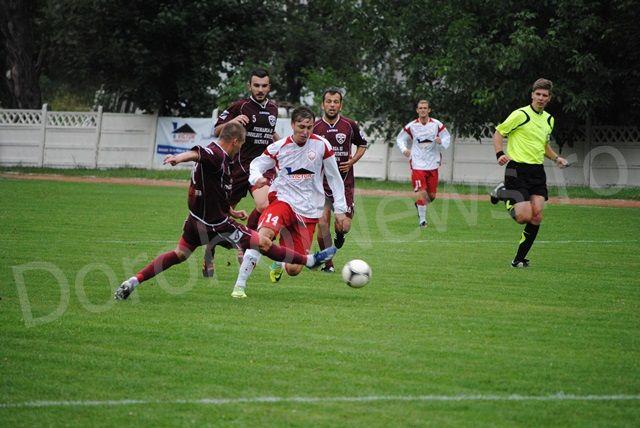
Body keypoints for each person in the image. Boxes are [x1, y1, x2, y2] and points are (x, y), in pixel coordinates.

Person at [114, 122, 336, 301]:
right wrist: (177, 158)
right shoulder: (216, 153)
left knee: (179, 254)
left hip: (195, 221)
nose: (241, 148)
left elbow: (213, 191)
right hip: (218, 225)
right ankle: (309, 260)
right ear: (236, 141)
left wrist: (231, 210)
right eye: (242, 144)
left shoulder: (223, 161)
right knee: (263, 242)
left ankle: (134, 281)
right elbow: (197, 153)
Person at [231, 106, 347, 296]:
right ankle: (239, 286)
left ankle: (279, 260)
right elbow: (256, 164)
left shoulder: (322, 146)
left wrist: (340, 209)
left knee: (293, 269)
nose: (305, 131)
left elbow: (334, 178)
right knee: (263, 237)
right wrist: (256, 178)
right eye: (301, 127)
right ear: (292, 125)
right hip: (282, 201)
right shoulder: (280, 147)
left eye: (309, 127)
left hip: (309, 210)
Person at [202, 68, 280, 277]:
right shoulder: (240, 106)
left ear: (269, 87)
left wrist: (284, 146)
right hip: (237, 168)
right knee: (220, 215)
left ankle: (244, 242)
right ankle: (209, 254)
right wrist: (233, 121)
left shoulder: (273, 109)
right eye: (256, 85)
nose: (260, 89)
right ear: (250, 86)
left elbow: (270, 133)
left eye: (264, 86)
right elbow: (217, 130)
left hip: (260, 168)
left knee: (264, 205)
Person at [489, 78, 568, 268]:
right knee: (523, 217)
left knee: (537, 216)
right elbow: (499, 133)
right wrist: (500, 154)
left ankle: (518, 259)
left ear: (549, 98)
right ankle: (502, 192)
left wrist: (556, 158)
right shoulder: (520, 115)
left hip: (537, 171)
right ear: (532, 95)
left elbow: (544, 145)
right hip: (517, 169)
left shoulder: (549, 119)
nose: (541, 98)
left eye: (545, 95)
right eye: (538, 94)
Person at [309, 88, 368, 273]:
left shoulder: (349, 125)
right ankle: (328, 264)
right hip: (322, 185)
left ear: (340, 105)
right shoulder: (315, 127)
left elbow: (363, 144)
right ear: (323, 104)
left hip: (344, 184)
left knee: (344, 226)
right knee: (322, 224)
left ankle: (340, 235)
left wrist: (352, 161)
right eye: (329, 101)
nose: (332, 105)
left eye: (336, 102)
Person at [396, 100, 451, 228]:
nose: (423, 110)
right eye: (420, 108)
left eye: (425, 108)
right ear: (417, 110)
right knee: (422, 192)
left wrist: (441, 141)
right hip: (417, 164)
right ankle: (422, 221)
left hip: (433, 163)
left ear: (429, 110)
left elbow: (446, 137)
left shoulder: (437, 124)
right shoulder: (412, 126)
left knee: (431, 196)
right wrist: (404, 150)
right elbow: (400, 138)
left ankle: (419, 204)